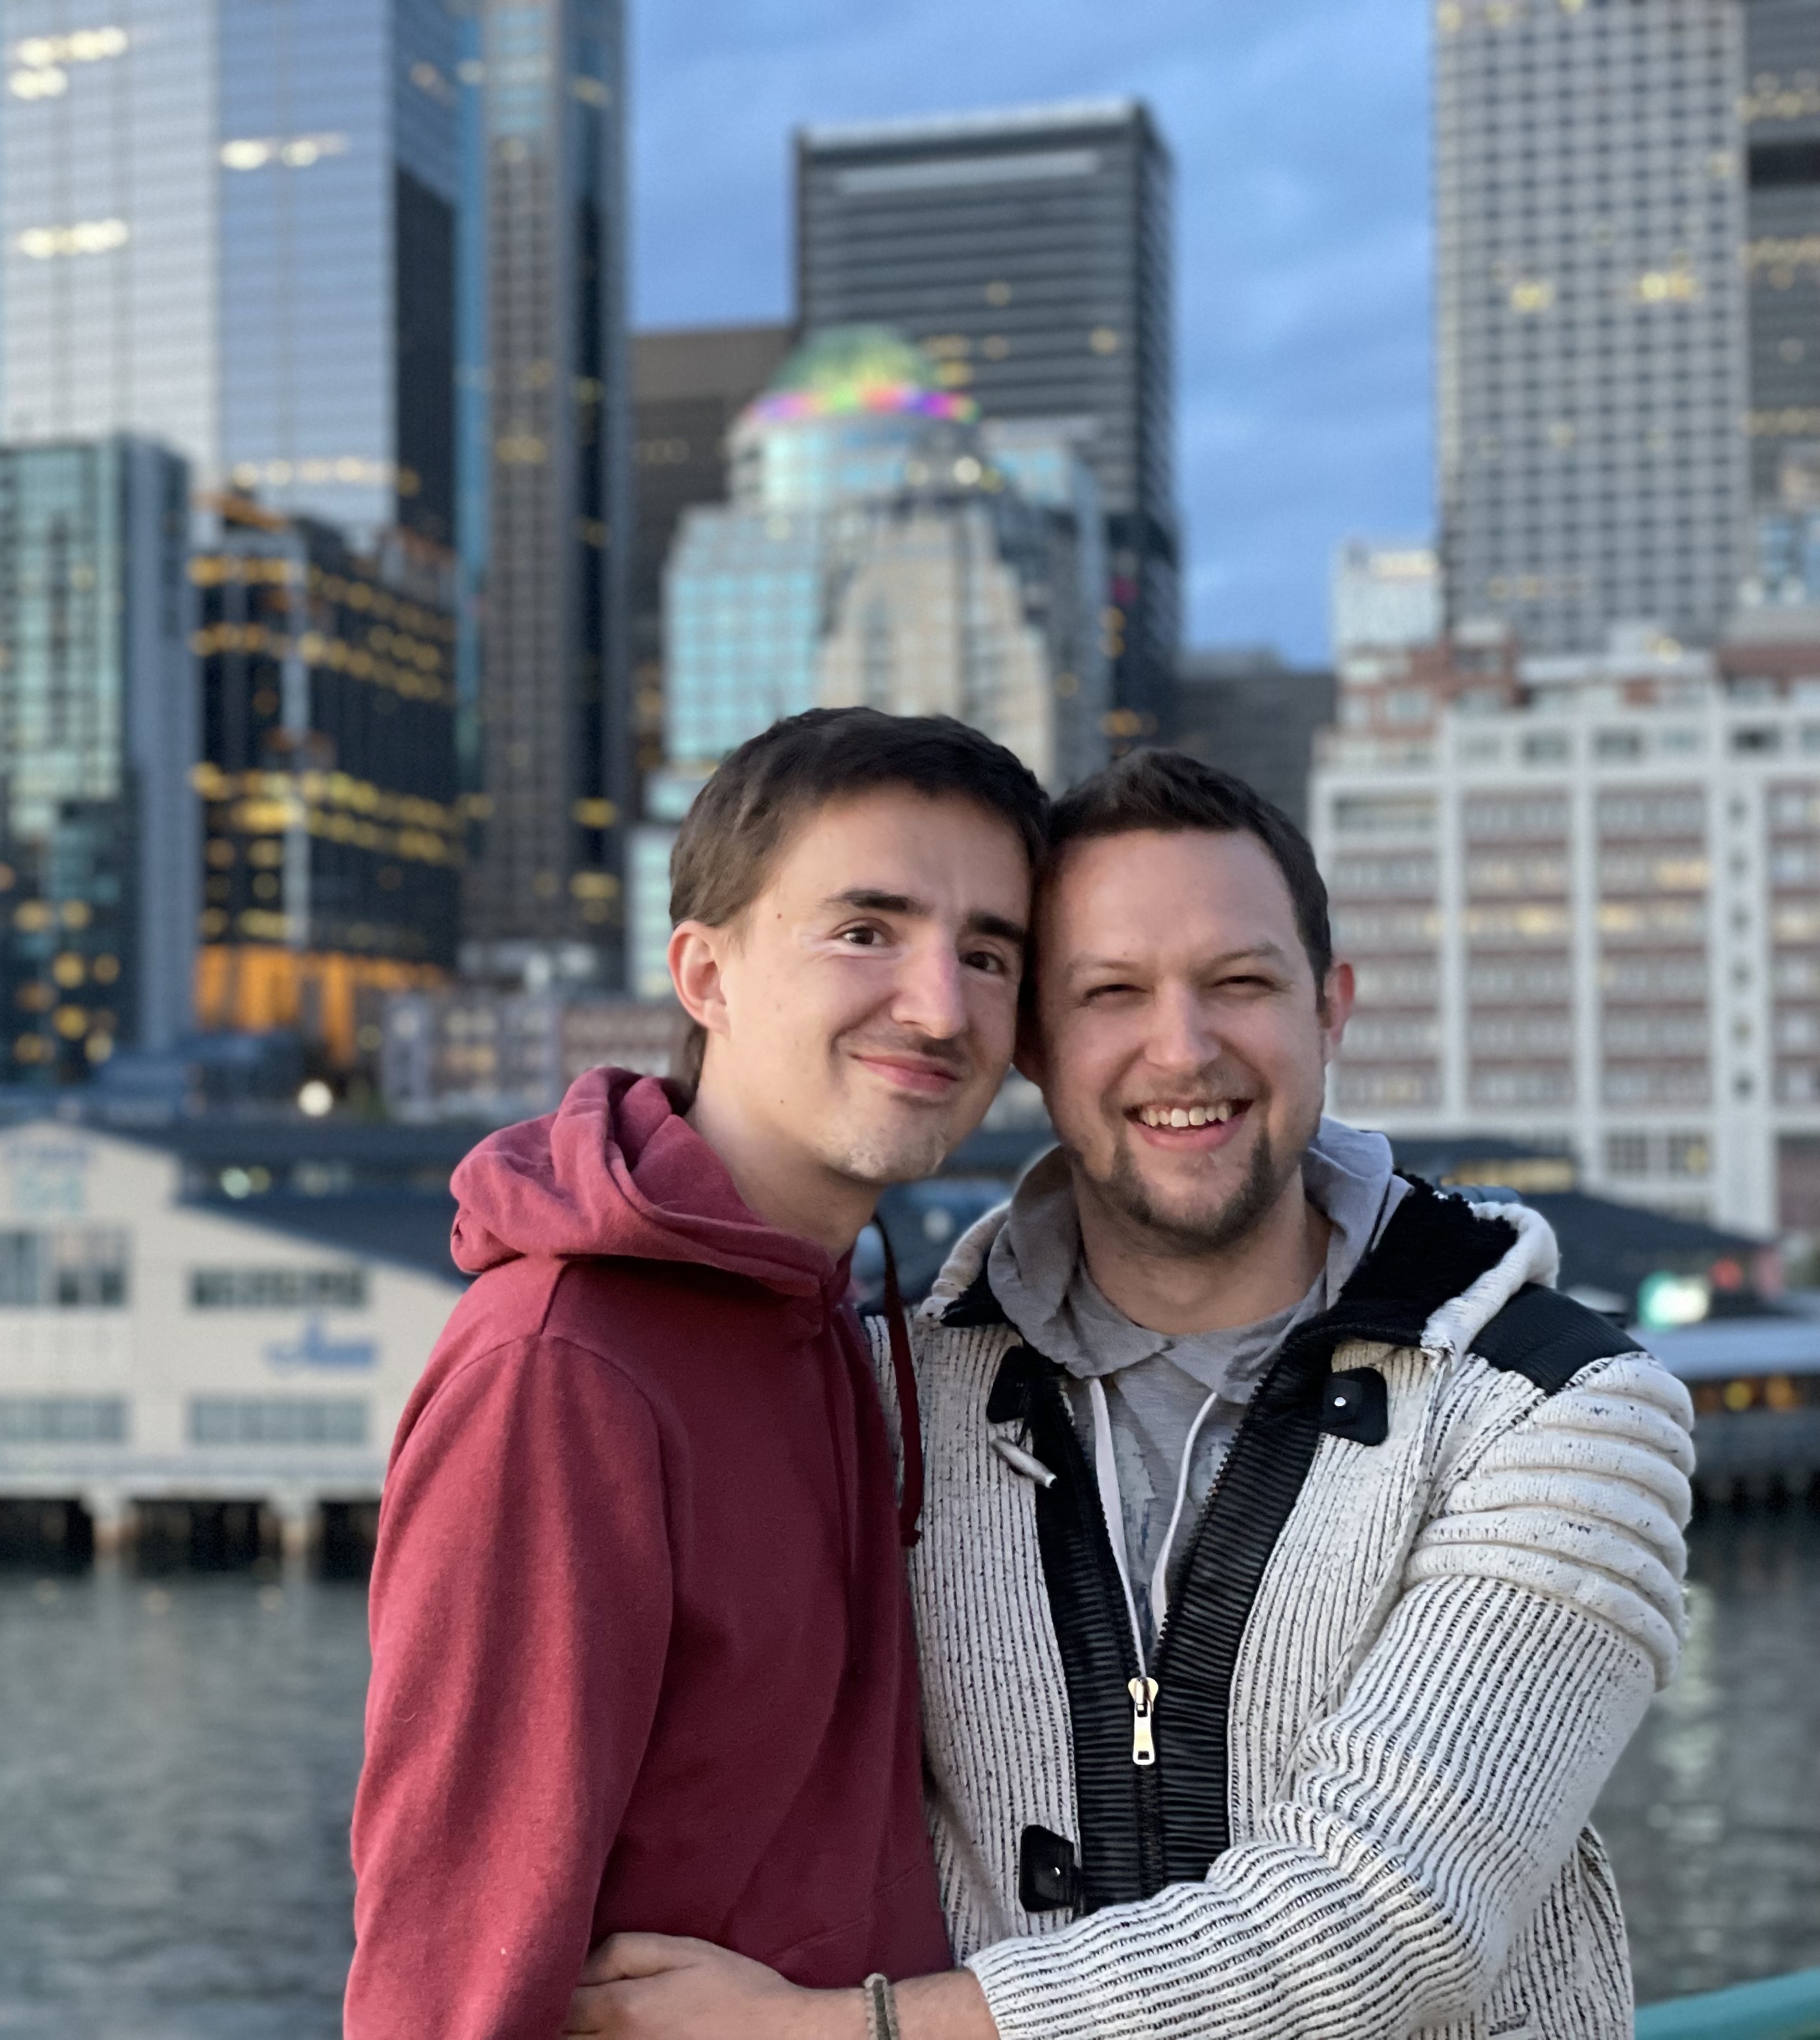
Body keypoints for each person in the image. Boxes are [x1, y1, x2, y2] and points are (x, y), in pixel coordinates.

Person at [567, 750, 1693, 2040]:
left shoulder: (1561, 1404)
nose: (1184, 1048)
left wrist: (845, 2032)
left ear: (1331, 1007)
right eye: (1112, 993)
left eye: (1241, 983)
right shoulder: (895, 1391)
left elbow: (1395, 1921)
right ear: (1034, 1043)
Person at [344, 709, 1051, 2040]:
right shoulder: (561, 1370)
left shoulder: (838, 1306)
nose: (941, 1004)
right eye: (866, 930)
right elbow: (450, 1960)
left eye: (989, 952)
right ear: (704, 974)